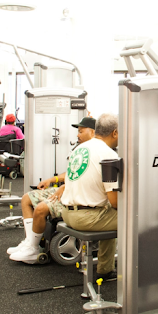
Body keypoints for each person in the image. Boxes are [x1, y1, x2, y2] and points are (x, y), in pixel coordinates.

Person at [8, 118, 96, 263]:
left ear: (92, 132)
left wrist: (65, 186)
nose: (77, 135)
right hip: (68, 189)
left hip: (78, 195)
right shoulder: (80, 149)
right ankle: (30, 243)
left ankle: (33, 248)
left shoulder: (97, 152)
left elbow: (90, 178)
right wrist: (52, 180)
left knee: (41, 208)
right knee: (26, 199)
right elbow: (72, 172)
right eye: (78, 132)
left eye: (81, 131)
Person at [59, 113, 121, 277]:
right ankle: (141, 269)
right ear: (115, 132)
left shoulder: (80, 148)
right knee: (136, 219)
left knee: (110, 215)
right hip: (86, 218)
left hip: (66, 213)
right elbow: (115, 201)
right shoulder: (109, 155)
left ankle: (105, 268)